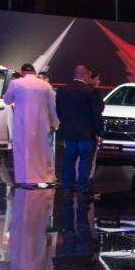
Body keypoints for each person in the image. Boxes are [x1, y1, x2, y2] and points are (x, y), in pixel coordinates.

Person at [2, 63, 59, 186]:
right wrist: (54, 123)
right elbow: (52, 107)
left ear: (23, 72)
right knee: (42, 152)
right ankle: (44, 178)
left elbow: (7, 100)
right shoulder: (46, 85)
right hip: (42, 124)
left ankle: (25, 180)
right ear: (34, 72)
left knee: (23, 151)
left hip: (22, 124)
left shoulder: (15, 83)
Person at [56, 65, 103, 197]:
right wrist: (100, 132)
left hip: (69, 133)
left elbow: (59, 111)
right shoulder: (90, 92)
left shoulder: (63, 90)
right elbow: (96, 114)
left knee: (68, 160)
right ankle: (83, 188)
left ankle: (67, 188)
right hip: (86, 133)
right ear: (86, 75)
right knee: (85, 162)